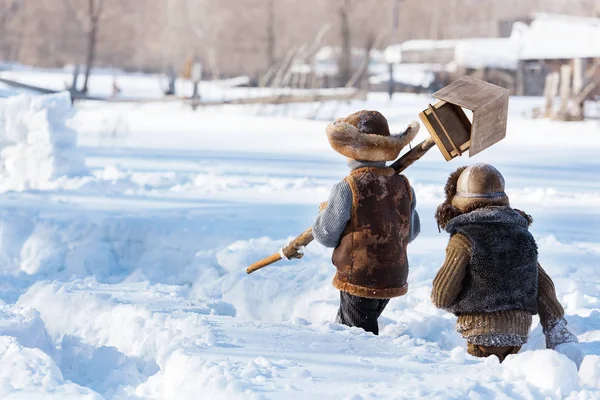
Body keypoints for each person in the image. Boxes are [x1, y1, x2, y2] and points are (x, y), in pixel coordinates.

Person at [431, 163, 578, 361]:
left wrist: (459, 301)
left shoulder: (464, 238)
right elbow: (544, 287)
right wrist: (556, 329)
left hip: (479, 331)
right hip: (518, 331)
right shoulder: (523, 235)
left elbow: (441, 296)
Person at [312, 110, 420, 335]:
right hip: (394, 276)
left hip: (359, 278)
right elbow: (411, 232)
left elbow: (326, 234)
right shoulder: (403, 185)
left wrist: (326, 212)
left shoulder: (348, 186)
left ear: (350, 150)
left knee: (359, 337)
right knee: (349, 326)